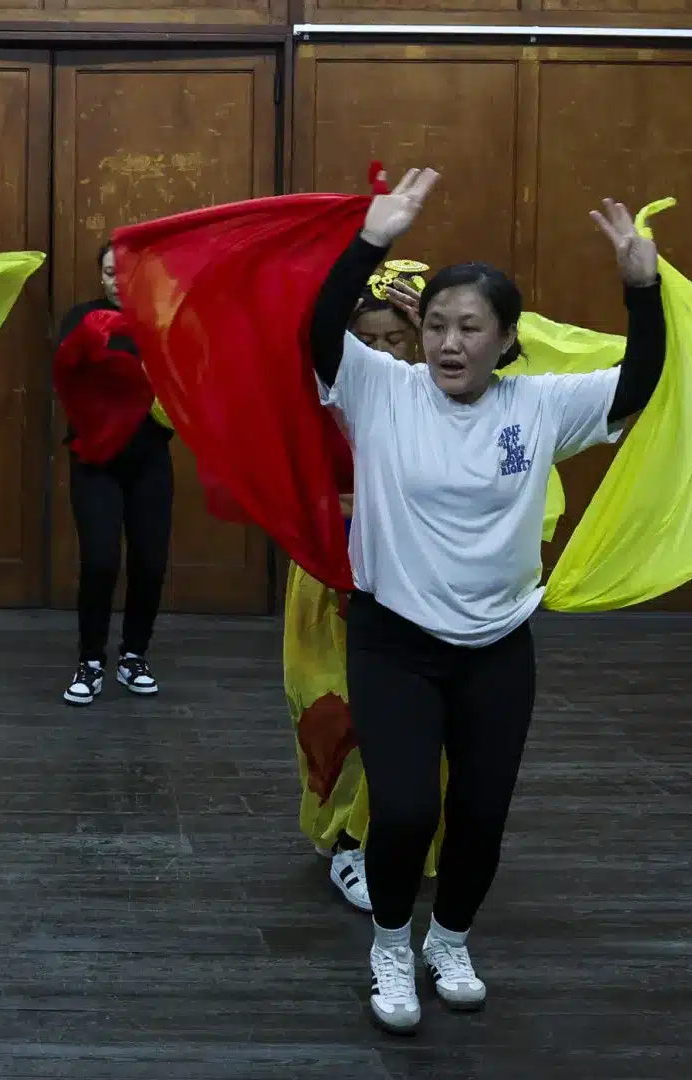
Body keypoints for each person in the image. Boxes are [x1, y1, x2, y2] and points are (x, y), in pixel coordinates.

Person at [310, 169, 664, 1034]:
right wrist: (372, 241)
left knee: (482, 812)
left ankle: (451, 937)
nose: (448, 343)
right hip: (393, 638)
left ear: (506, 340)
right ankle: (391, 943)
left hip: (498, 646)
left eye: (471, 327)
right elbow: (318, 330)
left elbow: (639, 383)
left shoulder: (539, 404)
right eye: (436, 326)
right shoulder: (380, 390)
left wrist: (641, 290)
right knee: (403, 809)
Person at [289, 260, 429, 914]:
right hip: (330, 571)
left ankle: (360, 841)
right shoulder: (329, 393)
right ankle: (339, 821)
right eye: (364, 341)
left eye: (392, 340)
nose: (378, 352)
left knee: (400, 717)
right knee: (327, 705)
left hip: (414, 574)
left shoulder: (448, 400)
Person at [53, 241, 173, 705]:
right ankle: (90, 660)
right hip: (95, 462)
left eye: (125, 274)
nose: (116, 282)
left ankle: (133, 656)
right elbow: (68, 370)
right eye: (108, 273)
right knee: (101, 561)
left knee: (149, 562)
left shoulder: (164, 319)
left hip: (149, 461)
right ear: (99, 277)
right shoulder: (82, 317)